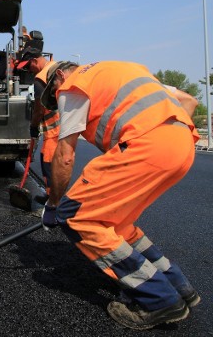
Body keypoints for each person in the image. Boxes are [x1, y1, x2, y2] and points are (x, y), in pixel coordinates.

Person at [40, 60, 200, 330]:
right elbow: (189, 100)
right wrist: (165, 137)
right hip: (182, 145)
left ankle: (159, 299)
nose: (57, 102)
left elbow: (65, 155)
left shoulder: (73, 85)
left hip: (146, 145)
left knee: (76, 217)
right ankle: (178, 285)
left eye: (53, 94)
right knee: (116, 223)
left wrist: (54, 205)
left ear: (58, 77)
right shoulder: (126, 70)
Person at [15, 42, 56, 201]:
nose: (28, 71)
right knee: (55, 163)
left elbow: (39, 109)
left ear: (34, 61)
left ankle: (53, 201)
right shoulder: (54, 67)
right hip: (64, 127)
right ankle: (52, 196)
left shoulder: (41, 79)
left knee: (48, 163)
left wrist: (33, 126)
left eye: (28, 66)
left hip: (55, 131)